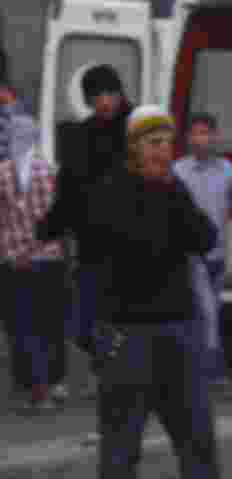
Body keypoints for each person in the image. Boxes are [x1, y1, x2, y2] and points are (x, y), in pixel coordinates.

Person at [84, 105, 232, 479]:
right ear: (133, 147)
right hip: (128, 335)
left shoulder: (174, 189)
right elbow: (93, 265)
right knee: (123, 442)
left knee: (198, 436)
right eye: (152, 142)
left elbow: (205, 237)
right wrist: (95, 337)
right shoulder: (109, 193)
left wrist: (173, 194)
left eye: (166, 142)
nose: (161, 150)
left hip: (178, 331)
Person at [37, 64, 135, 396]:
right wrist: (49, 227)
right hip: (92, 245)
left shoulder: (138, 130)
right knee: (82, 325)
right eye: (96, 96)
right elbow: (67, 192)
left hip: (133, 243)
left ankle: (124, 378)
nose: (104, 102)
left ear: (120, 94)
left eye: (109, 94)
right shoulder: (81, 136)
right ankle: (113, 368)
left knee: (125, 318)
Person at [173, 113, 232, 393]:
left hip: (218, 255)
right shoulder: (179, 172)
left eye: (206, 133)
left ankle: (196, 371)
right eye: (195, 133)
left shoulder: (227, 170)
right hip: (189, 254)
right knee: (207, 311)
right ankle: (213, 373)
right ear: (187, 138)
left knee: (208, 312)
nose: (201, 139)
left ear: (215, 136)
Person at [0, 114, 68, 413]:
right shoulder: (49, 170)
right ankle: (53, 384)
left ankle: (36, 388)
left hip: (15, 261)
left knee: (23, 326)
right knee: (49, 322)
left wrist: (17, 252)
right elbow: (54, 219)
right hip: (48, 258)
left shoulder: (2, 172)